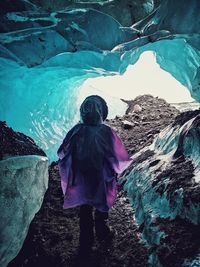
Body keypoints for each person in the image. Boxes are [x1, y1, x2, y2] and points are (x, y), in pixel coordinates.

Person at [57, 95, 132, 257]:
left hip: (81, 178)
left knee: (84, 209)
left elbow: (62, 152)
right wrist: (114, 169)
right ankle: (103, 233)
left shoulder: (76, 131)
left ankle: (86, 243)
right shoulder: (107, 132)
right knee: (101, 204)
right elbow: (117, 156)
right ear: (101, 112)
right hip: (101, 177)